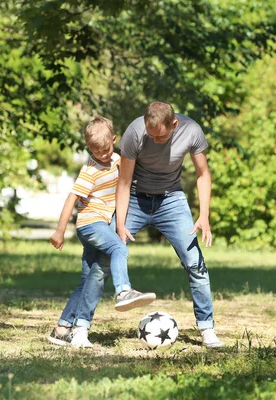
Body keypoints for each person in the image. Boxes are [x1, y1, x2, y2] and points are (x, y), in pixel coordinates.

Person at [115, 101, 223, 348]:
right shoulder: (134, 132)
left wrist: (204, 215)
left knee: (196, 263)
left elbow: (203, 174)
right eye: (150, 134)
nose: (154, 140)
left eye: (160, 137)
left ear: (174, 124)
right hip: (135, 198)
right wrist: (120, 223)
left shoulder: (191, 130)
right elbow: (123, 180)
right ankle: (78, 326)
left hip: (171, 201)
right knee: (105, 253)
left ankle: (207, 329)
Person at [48, 115, 156, 348]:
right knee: (119, 246)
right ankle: (123, 291)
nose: (102, 155)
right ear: (89, 148)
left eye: (106, 150)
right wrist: (59, 231)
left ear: (114, 140)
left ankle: (62, 328)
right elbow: (71, 198)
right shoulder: (90, 170)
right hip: (90, 224)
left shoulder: (117, 159)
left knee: (88, 280)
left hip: (99, 224)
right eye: (96, 152)